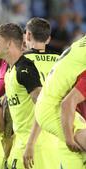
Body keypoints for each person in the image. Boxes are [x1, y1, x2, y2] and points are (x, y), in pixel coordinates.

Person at [0, 23, 59, 169]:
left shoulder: (24, 69)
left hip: (37, 147)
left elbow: (44, 105)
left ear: (9, 44)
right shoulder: (11, 70)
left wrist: (30, 144)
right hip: (22, 143)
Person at [28, 35, 86, 169]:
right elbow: (67, 103)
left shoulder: (80, 46)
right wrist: (69, 138)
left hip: (50, 104)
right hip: (54, 108)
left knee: (77, 157)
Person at [23, 17, 61, 168]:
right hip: (56, 137)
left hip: (27, 138)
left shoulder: (21, 62)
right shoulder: (60, 60)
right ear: (48, 39)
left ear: (27, 35)